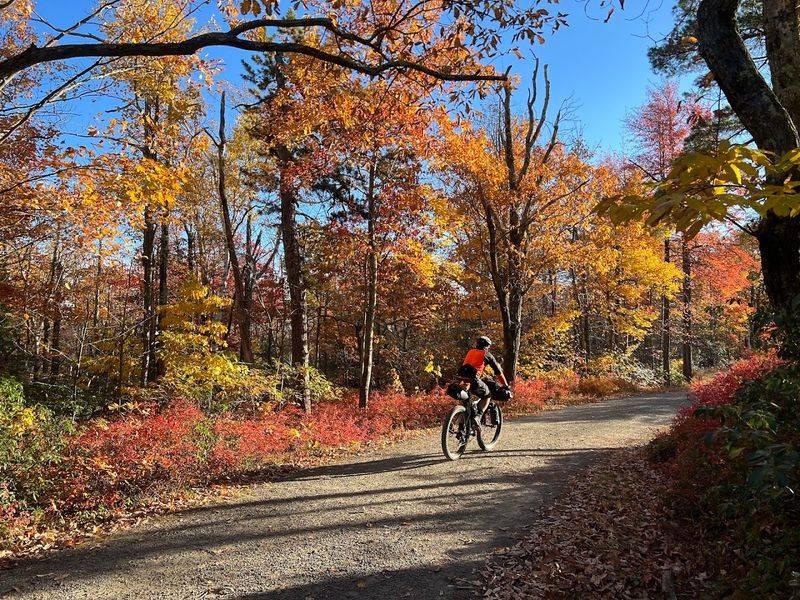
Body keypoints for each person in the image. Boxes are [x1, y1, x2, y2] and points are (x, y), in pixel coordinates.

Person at [457, 336, 509, 424]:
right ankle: (478, 417)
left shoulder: (470, 352)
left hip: (461, 380)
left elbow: (472, 367)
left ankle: (460, 427)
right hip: (473, 380)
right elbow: (498, 372)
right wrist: (505, 385)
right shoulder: (486, 354)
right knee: (487, 395)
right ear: (487, 346)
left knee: (466, 404)